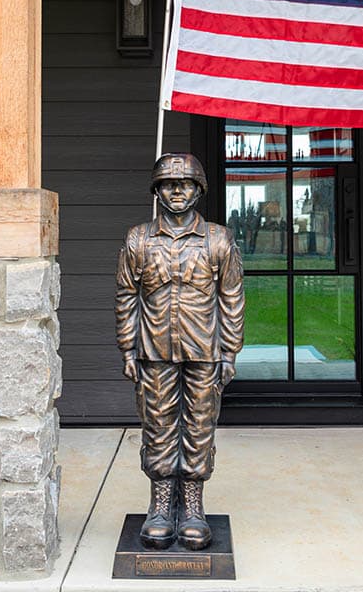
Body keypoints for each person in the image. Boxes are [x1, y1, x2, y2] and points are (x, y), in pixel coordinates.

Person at [115, 153, 245, 550]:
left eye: (184, 184)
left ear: (198, 190)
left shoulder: (218, 239)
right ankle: (159, 505)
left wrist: (229, 351)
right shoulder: (139, 238)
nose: (176, 191)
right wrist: (127, 346)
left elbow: (232, 297)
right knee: (158, 427)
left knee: (200, 427)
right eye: (168, 184)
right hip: (154, 350)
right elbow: (127, 296)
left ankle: (191, 507)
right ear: (157, 190)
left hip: (204, 351)